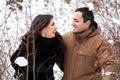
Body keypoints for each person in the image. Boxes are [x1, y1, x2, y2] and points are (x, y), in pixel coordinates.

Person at [62, 7, 117, 80]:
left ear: (87, 23)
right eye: (73, 20)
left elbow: (110, 66)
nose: (72, 24)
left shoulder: (100, 42)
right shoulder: (66, 37)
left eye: (76, 21)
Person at [10, 14, 64, 80]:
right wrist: (23, 67)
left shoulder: (57, 42)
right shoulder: (30, 41)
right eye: (52, 25)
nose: (56, 27)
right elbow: (14, 59)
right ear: (43, 27)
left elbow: (63, 65)